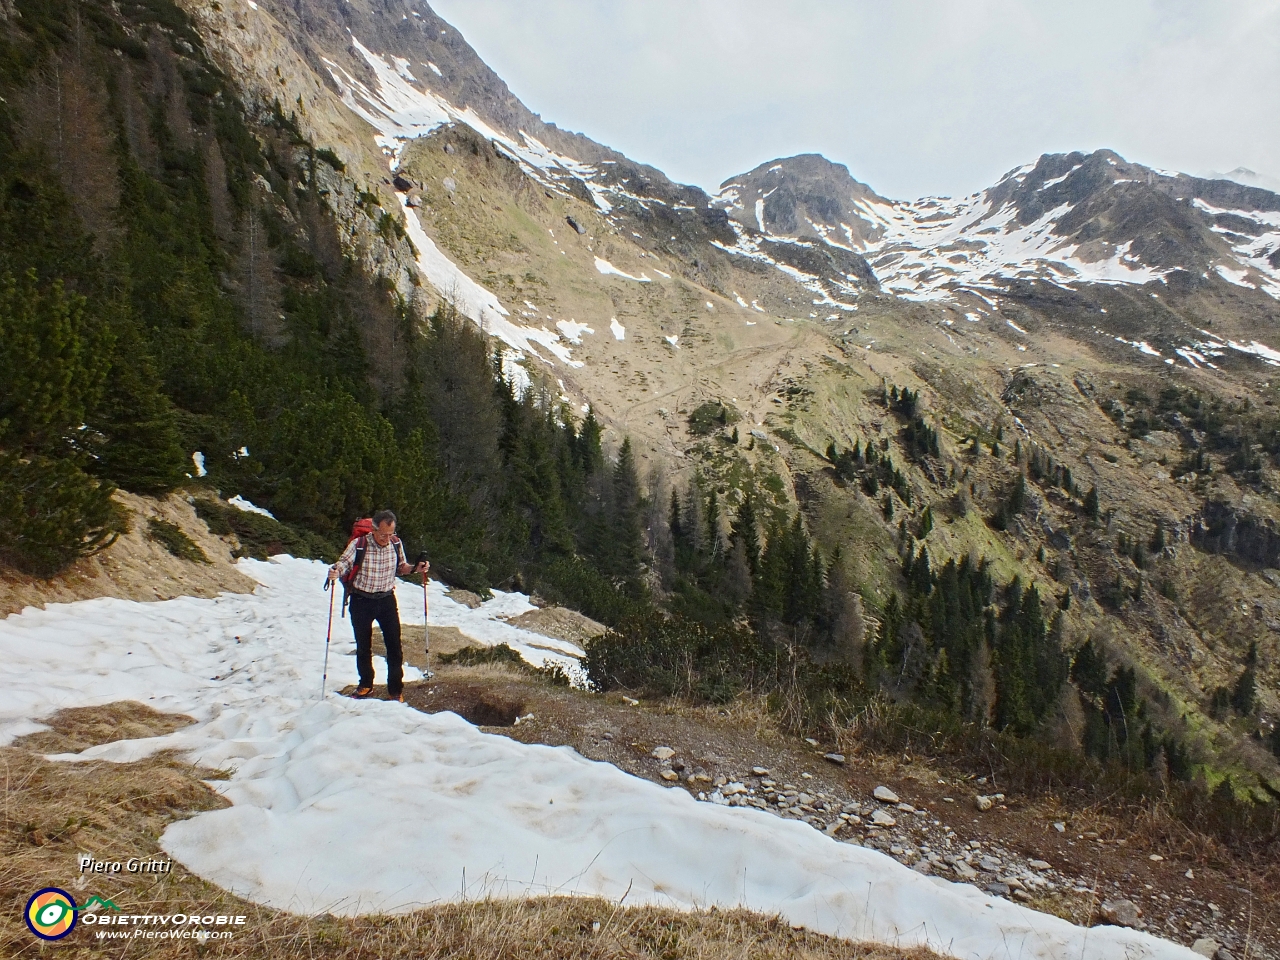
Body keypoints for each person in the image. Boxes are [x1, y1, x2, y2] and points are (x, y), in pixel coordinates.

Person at [328, 510, 428, 702]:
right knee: (363, 645)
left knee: (394, 646)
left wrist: (416, 568)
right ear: (373, 530)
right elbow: (343, 563)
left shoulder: (396, 543)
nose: (387, 538)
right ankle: (366, 685)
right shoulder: (359, 544)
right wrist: (335, 571)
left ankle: (395, 691)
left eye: (390, 534)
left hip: (386, 600)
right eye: (383, 534)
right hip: (361, 600)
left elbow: (401, 567)